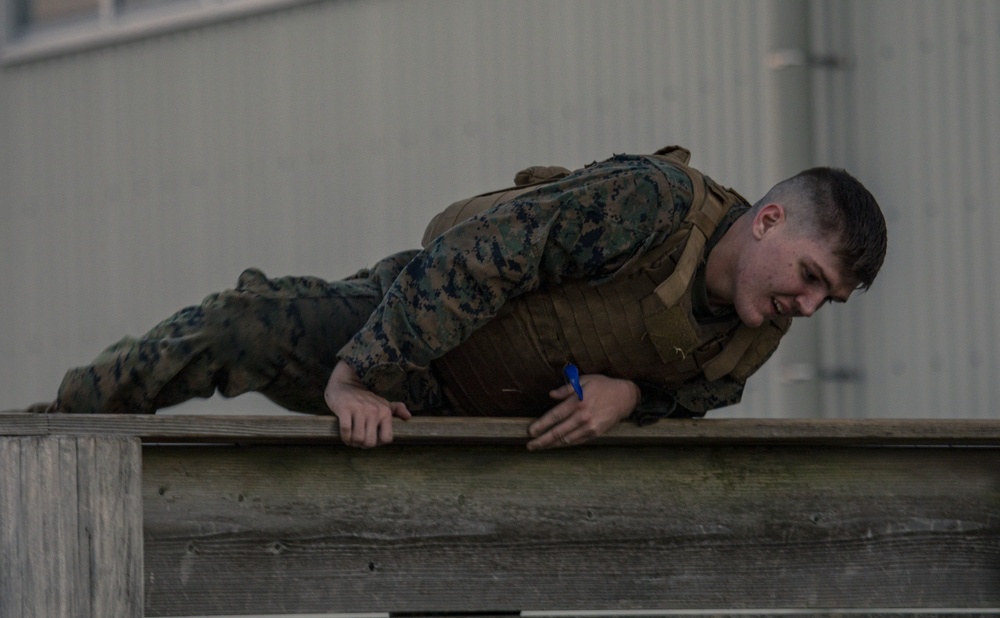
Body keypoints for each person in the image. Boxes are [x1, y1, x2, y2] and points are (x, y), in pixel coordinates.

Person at [33, 146, 887, 450]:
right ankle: (49, 426)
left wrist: (634, 398)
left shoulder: (751, 332)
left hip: (491, 434)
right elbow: (482, 255)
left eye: (829, 301)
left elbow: (691, 392)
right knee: (242, 326)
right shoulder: (651, 204)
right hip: (413, 343)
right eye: (810, 276)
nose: (807, 308)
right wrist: (361, 371)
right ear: (770, 220)